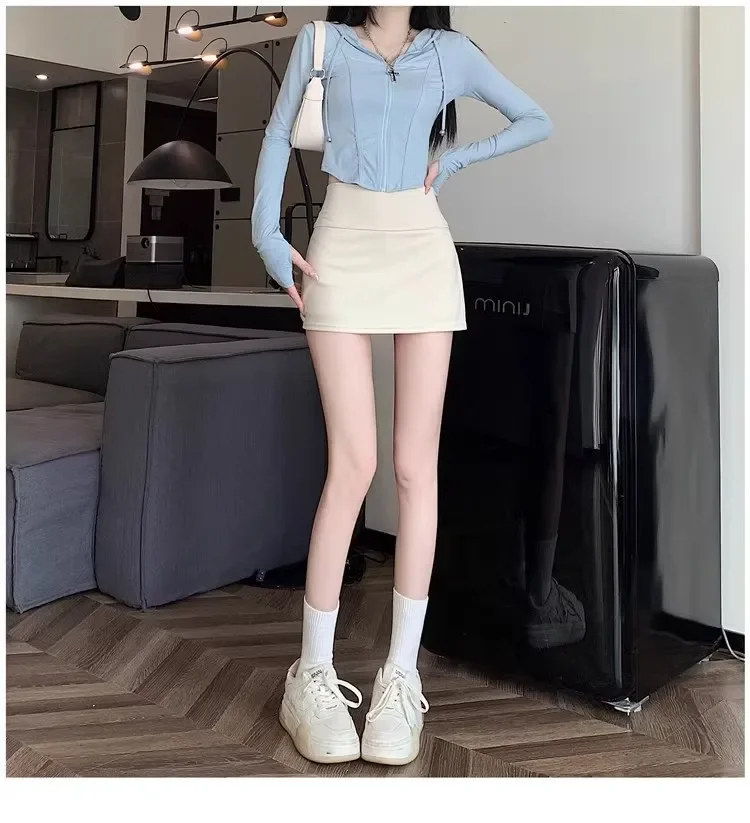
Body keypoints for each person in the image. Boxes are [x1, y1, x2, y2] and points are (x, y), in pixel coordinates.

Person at [251, 5, 552, 766]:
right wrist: (266, 235)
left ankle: (400, 675)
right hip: (340, 249)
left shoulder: (451, 52)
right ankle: (310, 675)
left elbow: (535, 119)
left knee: (417, 467)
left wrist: (457, 160)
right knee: (353, 463)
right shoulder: (321, 42)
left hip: (422, 250)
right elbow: (279, 133)